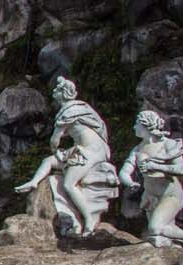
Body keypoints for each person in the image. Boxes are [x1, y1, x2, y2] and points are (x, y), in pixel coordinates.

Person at [14, 77, 118, 234]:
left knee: (69, 184)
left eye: (57, 90)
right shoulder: (83, 107)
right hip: (93, 148)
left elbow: (54, 140)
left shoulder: (68, 111)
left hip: (89, 151)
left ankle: (88, 218)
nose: (54, 91)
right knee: (48, 161)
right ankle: (34, 182)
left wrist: (57, 152)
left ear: (63, 93)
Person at [120, 110, 183, 256]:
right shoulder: (138, 149)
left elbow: (181, 169)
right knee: (163, 228)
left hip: (170, 195)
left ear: (146, 126)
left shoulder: (168, 145)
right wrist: (129, 182)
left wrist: (156, 166)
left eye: (137, 124)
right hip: (150, 196)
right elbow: (124, 171)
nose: (134, 127)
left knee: (154, 228)